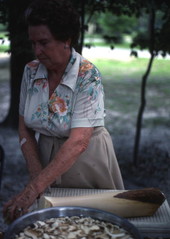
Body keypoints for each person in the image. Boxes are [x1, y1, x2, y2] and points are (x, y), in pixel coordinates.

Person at [3, 0, 124, 222]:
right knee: (52, 224)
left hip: (86, 160)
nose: (37, 51)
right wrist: (37, 176)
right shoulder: (30, 72)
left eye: (44, 42)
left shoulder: (87, 75)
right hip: (45, 155)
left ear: (66, 40)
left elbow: (79, 141)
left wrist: (32, 189)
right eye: (33, 43)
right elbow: (24, 129)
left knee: (93, 224)